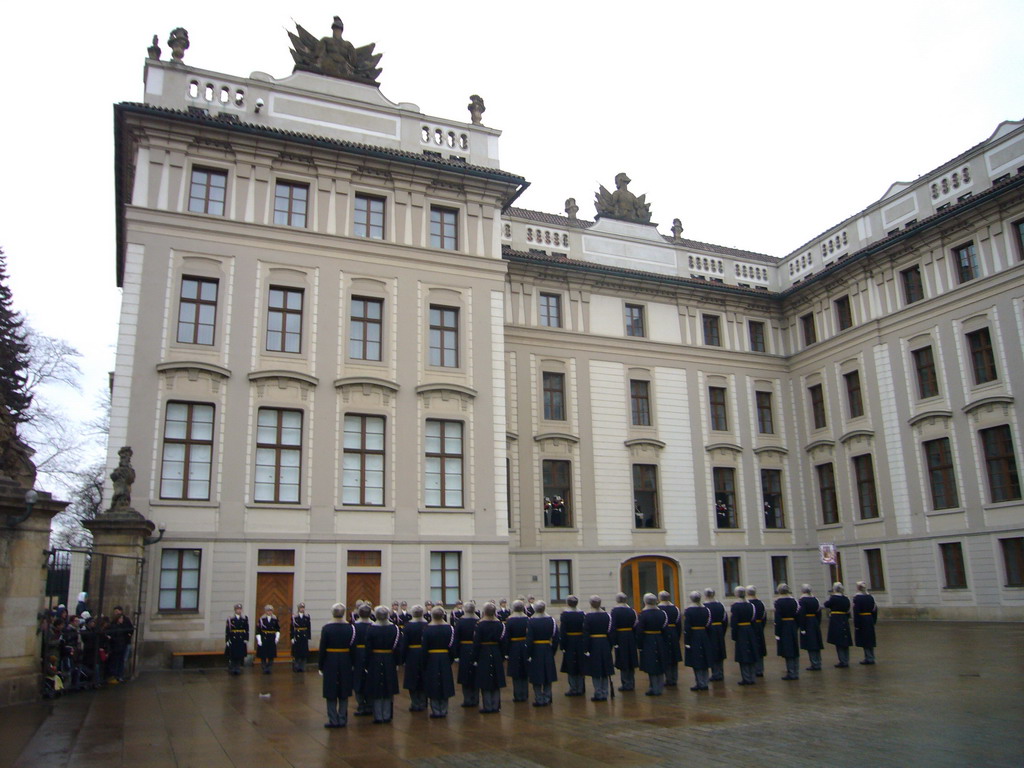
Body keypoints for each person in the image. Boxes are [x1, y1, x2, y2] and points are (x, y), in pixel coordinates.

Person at [318, 603, 355, 728]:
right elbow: (353, 648)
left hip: (330, 660)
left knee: (331, 690)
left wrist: (320, 665)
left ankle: (333, 719)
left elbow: (322, 648)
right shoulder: (350, 628)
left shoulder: (327, 628)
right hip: (345, 660)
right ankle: (342, 718)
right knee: (344, 691)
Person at [365, 605, 401, 724]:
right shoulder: (394, 629)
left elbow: (368, 647)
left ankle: (378, 716)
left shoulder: (371, 628)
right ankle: (387, 714)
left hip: (375, 659)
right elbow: (397, 647)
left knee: (376, 688)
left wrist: (367, 663)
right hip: (389, 659)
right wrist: (397, 661)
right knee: (388, 687)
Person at [422, 606, 457, 718]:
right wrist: (450, 658)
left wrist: (425, 661)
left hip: (432, 658)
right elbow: (452, 647)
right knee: (445, 682)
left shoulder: (427, 629)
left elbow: (424, 648)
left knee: (433, 683)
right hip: (445, 657)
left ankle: (436, 710)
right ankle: (444, 709)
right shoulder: (449, 628)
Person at [474, 602, 507, 713]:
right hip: (496, 651)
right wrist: (502, 655)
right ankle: (496, 705)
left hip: (484, 652)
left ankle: (487, 706)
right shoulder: (500, 625)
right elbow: (503, 642)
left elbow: (477, 643)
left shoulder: (480, 625)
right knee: (496, 680)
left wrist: (475, 657)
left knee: (485, 681)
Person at [636, 593, 670, 696]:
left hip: (648, 640)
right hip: (659, 639)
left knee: (651, 664)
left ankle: (654, 688)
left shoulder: (643, 614)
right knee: (659, 663)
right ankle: (658, 687)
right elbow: (665, 629)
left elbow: (639, 631)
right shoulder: (662, 614)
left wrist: (640, 645)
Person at [526, 600, 558, 706]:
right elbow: (556, 637)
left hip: (536, 649)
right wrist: (552, 649)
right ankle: (547, 697)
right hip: (547, 648)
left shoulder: (531, 621)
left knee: (537, 675)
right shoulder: (551, 620)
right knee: (548, 674)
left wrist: (529, 653)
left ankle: (539, 698)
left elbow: (529, 639)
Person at [582, 595, 614, 701]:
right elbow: (610, 632)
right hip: (604, 643)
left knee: (595, 670)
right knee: (605, 669)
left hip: (593, 644)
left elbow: (586, 633)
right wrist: (610, 645)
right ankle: (605, 692)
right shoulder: (607, 616)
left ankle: (598, 692)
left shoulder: (588, 616)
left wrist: (585, 648)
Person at [683, 591, 713, 691]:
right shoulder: (706, 610)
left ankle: (700, 682)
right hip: (704, 635)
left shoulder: (689, 611)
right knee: (704, 659)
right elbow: (709, 624)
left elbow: (687, 627)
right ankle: (705, 682)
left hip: (694, 636)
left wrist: (687, 641)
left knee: (696, 660)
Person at [774, 584, 803, 680]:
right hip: (792, 625)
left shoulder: (779, 602)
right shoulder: (794, 601)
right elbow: (799, 615)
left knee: (788, 649)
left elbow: (778, 618)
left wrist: (777, 632)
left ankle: (791, 672)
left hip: (784, 626)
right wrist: (796, 625)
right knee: (794, 648)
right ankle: (796, 671)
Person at [559, 595, 587, 697]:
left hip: (570, 642)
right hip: (580, 641)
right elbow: (585, 629)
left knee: (570, 665)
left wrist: (562, 645)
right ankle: (580, 687)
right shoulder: (582, 614)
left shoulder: (565, 615)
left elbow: (562, 632)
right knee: (580, 664)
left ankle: (573, 688)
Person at [402, 605, 428, 711]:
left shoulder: (408, 626)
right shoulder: (427, 625)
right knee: (424, 677)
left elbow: (404, 644)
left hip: (411, 654)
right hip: (424, 653)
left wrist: (402, 658)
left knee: (412, 679)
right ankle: (423, 702)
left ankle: (415, 702)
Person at [611, 592, 639, 691]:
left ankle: (626, 683)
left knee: (623, 660)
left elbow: (613, 627)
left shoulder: (615, 611)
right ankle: (631, 682)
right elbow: (636, 625)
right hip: (630, 636)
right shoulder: (632, 611)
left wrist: (613, 641)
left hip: (620, 637)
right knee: (631, 660)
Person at [730, 587, 758, 685]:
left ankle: (746, 677)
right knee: (751, 653)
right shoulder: (751, 605)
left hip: (741, 631)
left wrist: (734, 635)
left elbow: (734, 622)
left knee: (743, 654)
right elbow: (754, 620)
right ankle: (752, 676)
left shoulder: (735, 606)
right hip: (750, 630)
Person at [454, 601, 480, 707]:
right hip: (476, 648)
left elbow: (456, 638)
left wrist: (456, 654)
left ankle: (467, 699)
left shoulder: (460, 622)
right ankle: (476, 698)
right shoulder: (479, 621)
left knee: (465, 675)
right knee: (476, 674)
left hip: (464, 649)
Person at [505, 600, 530, 702]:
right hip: (524, 645)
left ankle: (518, 694)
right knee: (525, 671)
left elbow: (507, 637)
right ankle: (525, 694)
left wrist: (506, 652)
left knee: (516, 672)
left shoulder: (510, 620)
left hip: (514, 646)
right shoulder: (527, 619)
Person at [823, 582, 853, 667]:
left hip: (836, 619)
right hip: (844, 618)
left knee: (839, 641)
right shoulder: (845, 599)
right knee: (845, 640)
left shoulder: (834, 598)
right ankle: (846, 659)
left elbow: (826, 604)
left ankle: (842, 660)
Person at [352, 603, 374, 715]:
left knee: (358, 680)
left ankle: (361, 705)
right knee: (370, 680)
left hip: (358, 654)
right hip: (371, 654)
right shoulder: (374, 626)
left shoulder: (354, 626)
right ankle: (370, 705)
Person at [657, 591, 683, 687]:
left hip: (663, 634)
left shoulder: (658, 609)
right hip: (673, 633)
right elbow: (679, 624)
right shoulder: (675, 609)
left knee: (666, 656)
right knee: (674, 656)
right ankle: (674, 678)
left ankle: (668, 678)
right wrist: (677, 635)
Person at [704, 588, 728, 681]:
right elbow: (725, 619)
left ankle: (715, 673)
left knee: (712, 652)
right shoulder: (720, 605)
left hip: (710, 630)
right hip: (719, 629)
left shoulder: (704, 606)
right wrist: (722, 631)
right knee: (720, 652)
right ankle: (720, 672)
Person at [798, 584, 823, 671]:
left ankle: (814, 663)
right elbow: (819, 612)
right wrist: (817, 622)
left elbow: (801, 614)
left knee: (811, 643)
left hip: (807, 621)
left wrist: (802, 626)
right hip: (814, 621)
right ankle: (818, 661)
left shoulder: (802, 600)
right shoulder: (815, 599)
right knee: (816, 643)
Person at [107, 606, 134, 684]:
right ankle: (115, 676)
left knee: (122, 660)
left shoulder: (126, 621)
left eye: (116, 611)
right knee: (116, 661)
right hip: (117, 646)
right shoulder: (114, 625)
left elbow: (130, 630)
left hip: (124, 644)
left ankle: (120, 675)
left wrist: (128, 636)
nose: (115, 613)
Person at [853, 581, 878, 664]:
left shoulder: (857, 598)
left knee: (865, 638)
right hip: (869, 618)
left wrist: (856, 624)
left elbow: (856, 612)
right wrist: (873, 620)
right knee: (870, 638)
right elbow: (875, 609)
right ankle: (871, 656)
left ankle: (869, 657)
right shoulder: (870, 597)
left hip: (862, 619)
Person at [746, 585, 767, 677]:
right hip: (758, 626)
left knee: (750, 647)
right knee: (759, 647)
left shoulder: (747, 604)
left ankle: (752, 669)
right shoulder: (760, 603)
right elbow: (764, 616)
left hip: (750, 627)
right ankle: (759, 669)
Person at [225, 603, 249, 675]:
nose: (239, 610)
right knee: (233, 654)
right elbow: (228, 630)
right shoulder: (231, 619)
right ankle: (232, 667)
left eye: (240, 609)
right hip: (233, 638)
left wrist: (246, 638)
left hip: (240, 638)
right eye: (237, 609)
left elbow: (246, 629)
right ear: (235, 610)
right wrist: (227, 640)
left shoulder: (244, 619)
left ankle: (237, 668)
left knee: (239, 654)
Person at [256, 605, 280, 674]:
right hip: (264, 637)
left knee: (271, 654)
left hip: (271, 637)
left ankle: (269, 667)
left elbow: (277, 629)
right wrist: (259, 640)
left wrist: (277, 637)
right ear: (265, 611)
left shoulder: (275, 619)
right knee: (263, 654)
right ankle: (264, 667)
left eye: (271, 611)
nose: (269, 612)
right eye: (268, 611)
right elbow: (258, 630)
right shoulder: (262, 619)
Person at [291, 602, 311, 672]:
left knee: (304, 652)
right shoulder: (294, 617)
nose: (302, 609)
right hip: (297, 635)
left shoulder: (307, 616)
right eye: (301, 608)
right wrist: (292, 637)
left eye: (303, 608)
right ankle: (296, 666)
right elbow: (292, 627)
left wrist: (308, 636)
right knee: (297, 652)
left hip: (304, 635)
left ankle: (302, 667)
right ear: (298, 608)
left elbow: (308, 627)